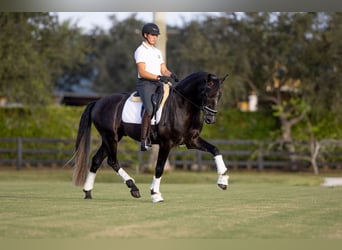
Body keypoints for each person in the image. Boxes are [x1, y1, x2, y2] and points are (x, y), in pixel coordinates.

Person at [134, 23, 178, 151]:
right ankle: (144, 139)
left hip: (158, 83)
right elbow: (142, 72)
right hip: (145, 83)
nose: (154, 37)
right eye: (152, 35)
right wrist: (158, 78)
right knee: (149, 107)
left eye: (156, 35)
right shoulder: (140, 50)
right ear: (145, 35)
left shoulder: (157, 52)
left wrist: (171, 74)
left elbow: (163, 69)